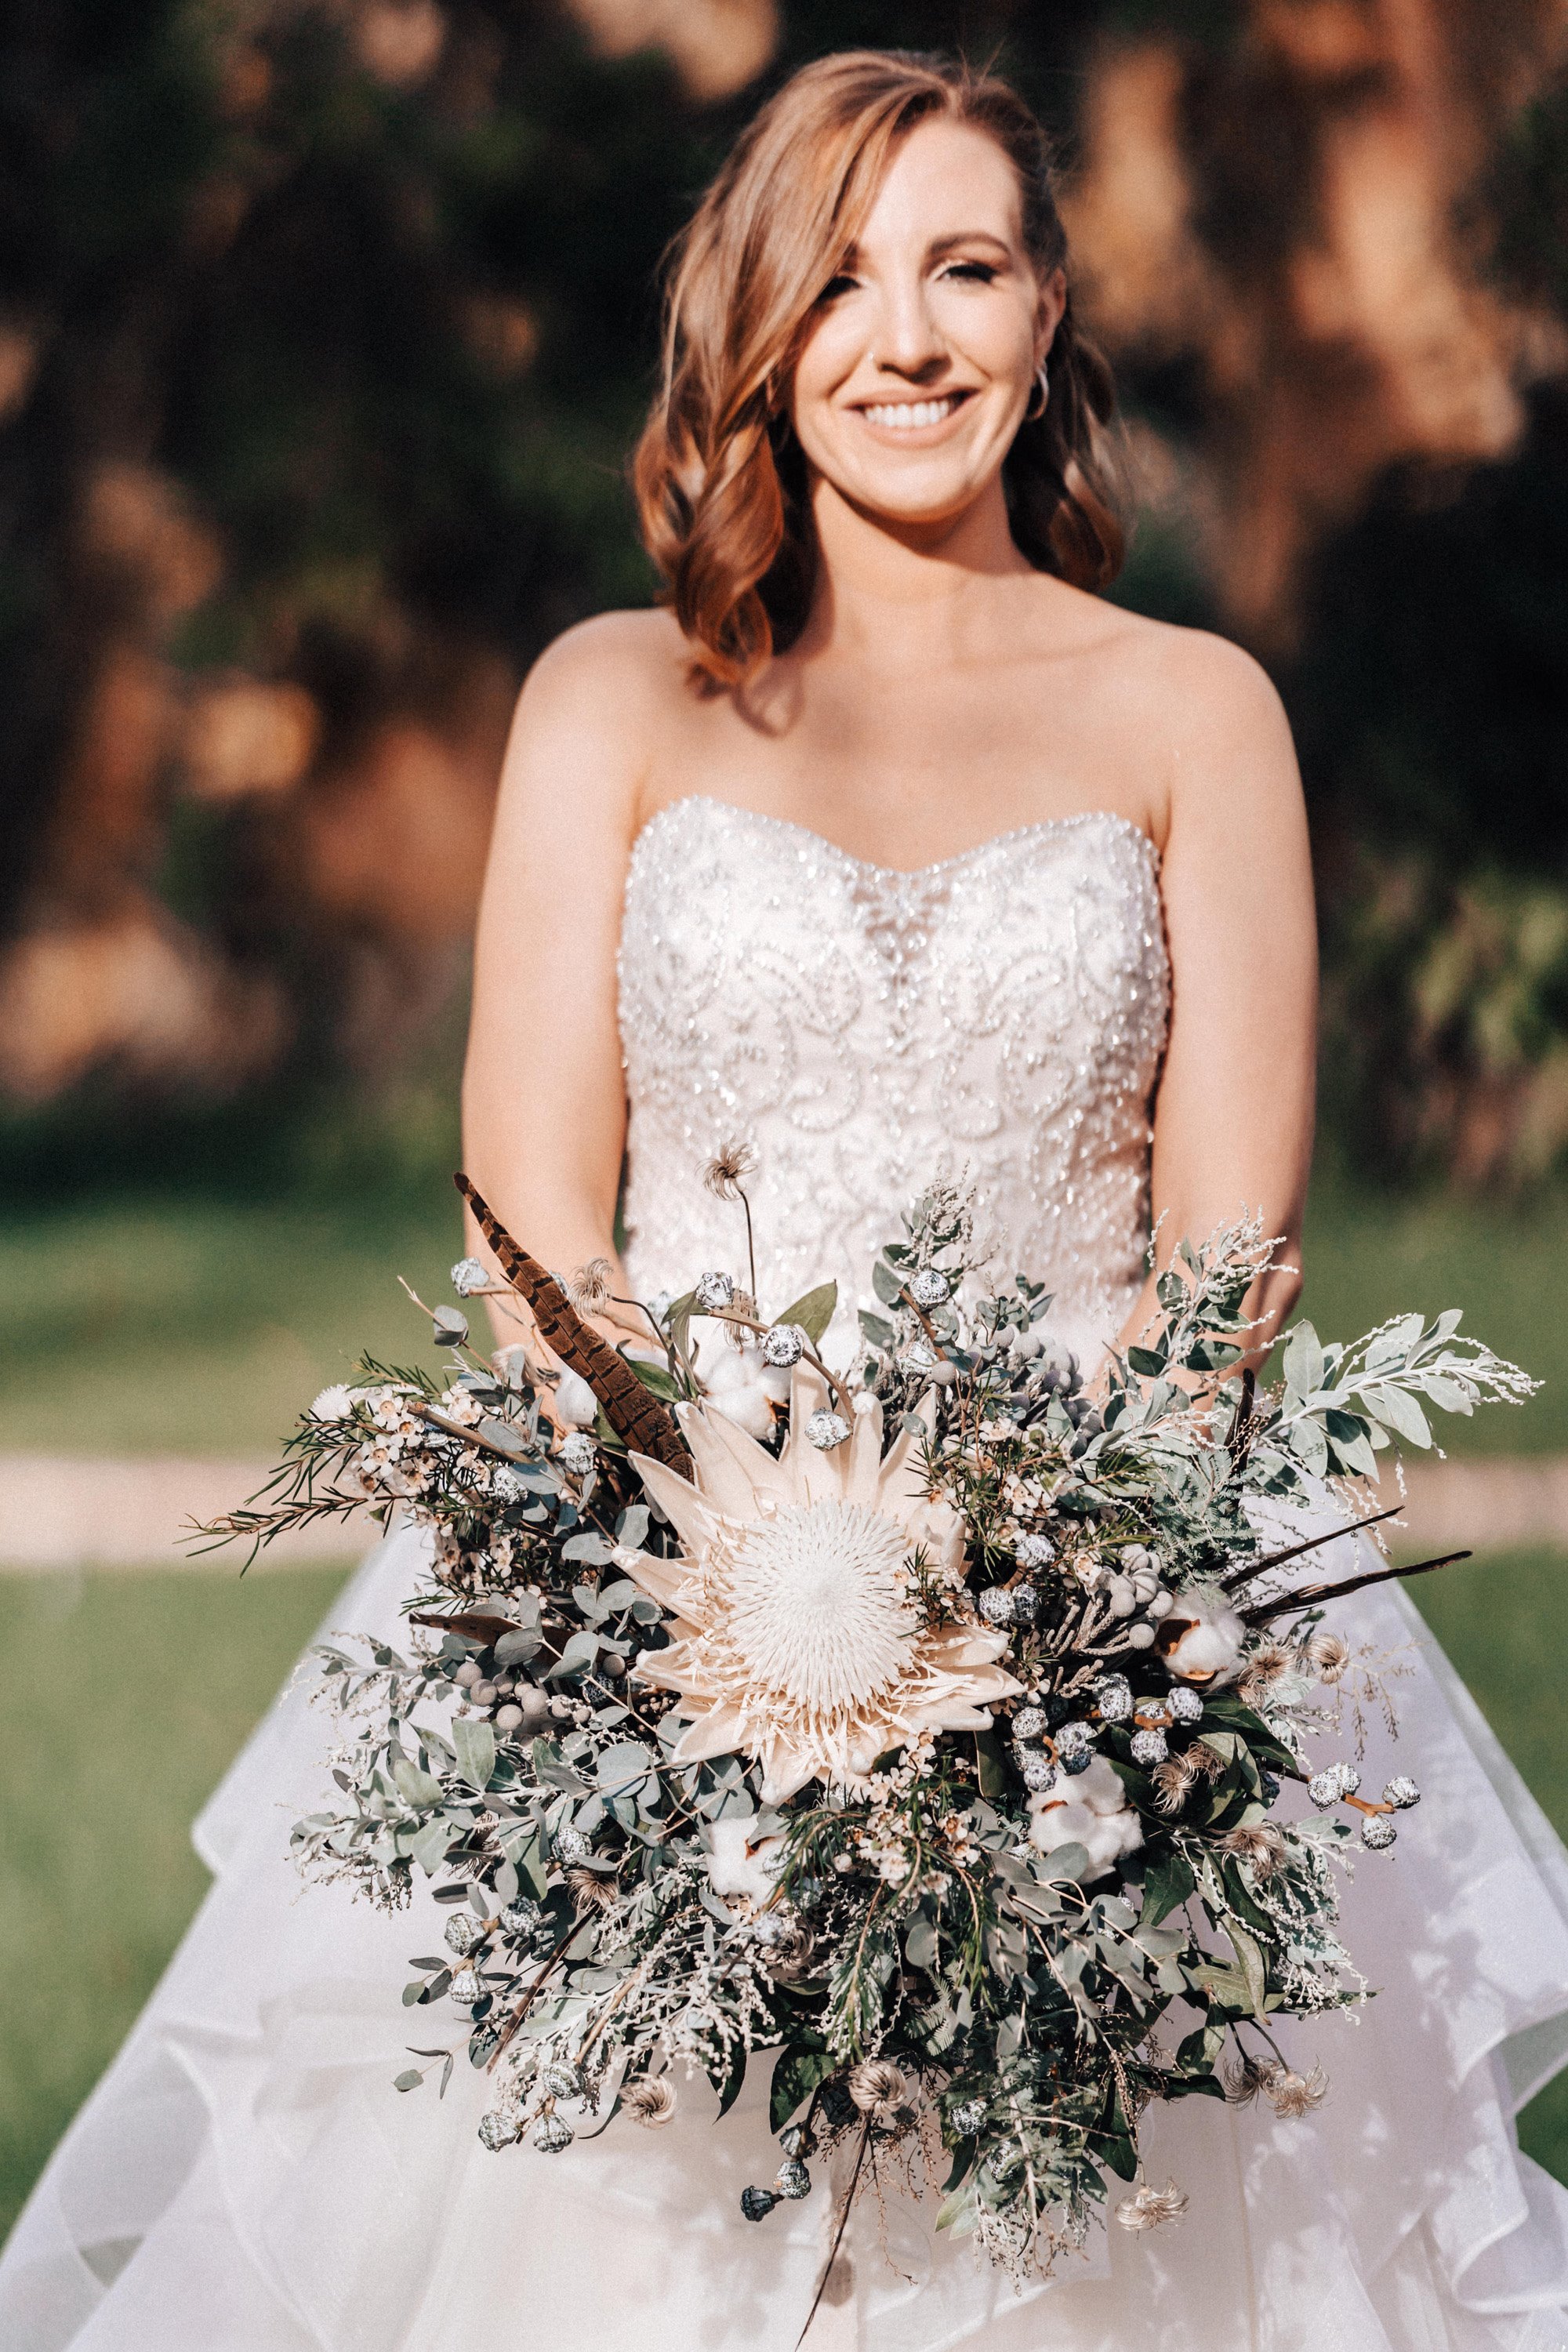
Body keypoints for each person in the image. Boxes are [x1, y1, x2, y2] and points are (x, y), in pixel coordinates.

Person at [4, 50, 1566, 2352]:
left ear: (1049, 318)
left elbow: (1235, 1265)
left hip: (1105, 1618)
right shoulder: (615, 700)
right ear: (753, 324)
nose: (905, 336)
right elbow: (528, 1213)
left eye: (966, 266)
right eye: (839, 276)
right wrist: (726, 1565)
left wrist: (1045, 1601)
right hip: (651, 1586)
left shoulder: (1196, 710)